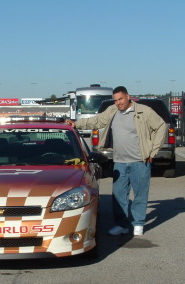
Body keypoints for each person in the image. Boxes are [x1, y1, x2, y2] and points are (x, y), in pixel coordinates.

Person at [66, 86, 167, 236]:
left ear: (128, 97)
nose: (118, 103)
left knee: (140, 194)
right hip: (119, 161)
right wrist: (76, 124)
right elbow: (97, 121)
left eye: (120, 99)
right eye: (115, 100)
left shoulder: (143, 111)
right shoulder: (113, 111)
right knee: (119, 195)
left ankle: (138, 223)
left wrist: (153, 151)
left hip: (140, 161)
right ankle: (122, 225)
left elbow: (161, 126)